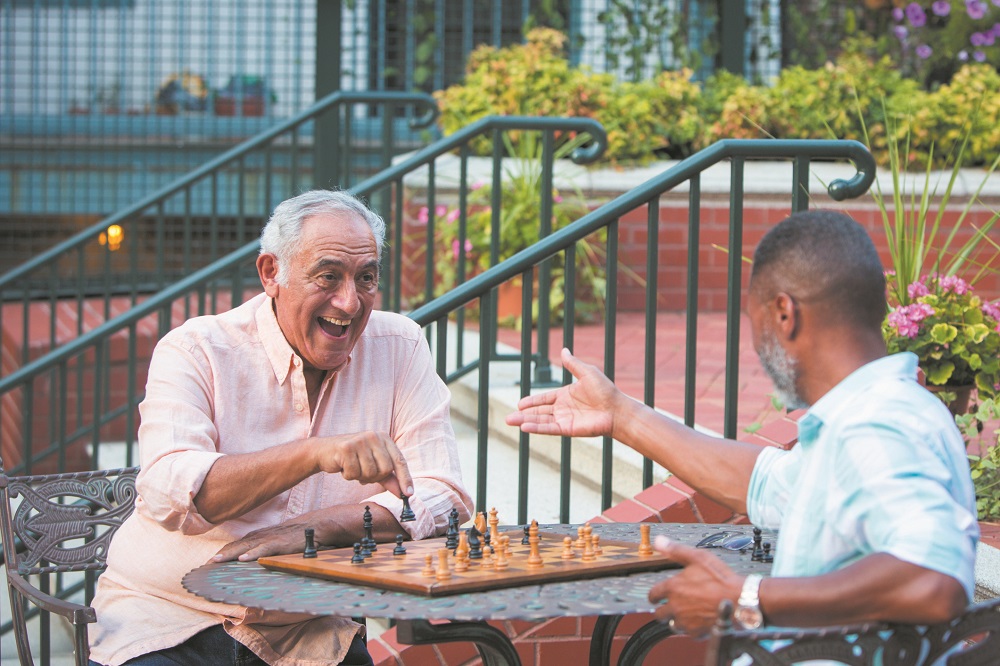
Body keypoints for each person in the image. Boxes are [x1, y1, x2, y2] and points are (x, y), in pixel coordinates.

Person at [507, 209, 978, 637]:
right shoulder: (868, 415)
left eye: (754, 321)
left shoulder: (878, 424)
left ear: (784, 313)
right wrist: (621, 415)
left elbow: (933, 579)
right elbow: (763, 481)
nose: (755, 345)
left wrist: (746, 597)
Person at [89, 190, 474, 666]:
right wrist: (315, 454)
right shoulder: (195, 349)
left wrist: (317, 528)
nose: (350, 302)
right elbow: (178, 493)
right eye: (328, 276)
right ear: (271, 273)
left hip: (309, 629)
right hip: (168, 620)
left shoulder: (400, 344)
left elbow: (442, 494)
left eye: (366, 278)